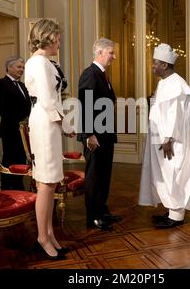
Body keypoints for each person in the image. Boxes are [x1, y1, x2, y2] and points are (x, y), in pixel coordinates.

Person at [25, 19, 75, 259]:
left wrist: (63, 124)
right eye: (57, 37)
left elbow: (53, 98)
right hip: (45, 122)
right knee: (45, 182)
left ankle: (49, 233)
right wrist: (66, 125)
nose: (59, 42)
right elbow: (47, 99)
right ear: (48, 37)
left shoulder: (46, 62)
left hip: (49, 122)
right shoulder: (38, 62)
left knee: (51, 181)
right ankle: (42, 238)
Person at [139, 43, 190, 228]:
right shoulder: (165, 82)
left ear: (165, 65)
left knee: (173, 173)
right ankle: (171, 210)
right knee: (164, 174)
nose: (152, 66)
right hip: (161, 138)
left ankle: (176, 216)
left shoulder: (175, 84)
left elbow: (175, 114)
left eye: (155, 62)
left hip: (170, 140)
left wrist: (167, 139)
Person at [77, 37, 120, 231]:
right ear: (100, 52)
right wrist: (89, 135)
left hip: (105, 135)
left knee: (104, 175)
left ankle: (102, 211)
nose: (114, 56)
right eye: (111, 52)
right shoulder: (90, 73)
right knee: (94, 176)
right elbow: (85, 105)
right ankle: (93, 216)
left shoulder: (102, 74)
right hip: (95, 136)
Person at [0, 56, 31, 190]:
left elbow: (28, 106)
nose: (22, 70)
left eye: (23, 67)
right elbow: (2, 109)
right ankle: (7, 189)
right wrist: (21, 118)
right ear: (9, 67)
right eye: (19, 67)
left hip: (23, 129)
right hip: (10, 129)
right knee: (10, 160)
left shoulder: (22, 85)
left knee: (21, 159)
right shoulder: (0, 83)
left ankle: (18, 187)